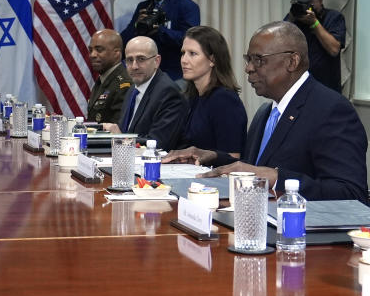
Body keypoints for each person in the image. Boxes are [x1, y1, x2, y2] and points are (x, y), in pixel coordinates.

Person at [164, 22, 367, 201]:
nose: (248, 68)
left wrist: (277, 178)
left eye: (258, 60)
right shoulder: (265, 112)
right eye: (248, 59)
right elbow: (252, 168)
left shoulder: (331, 110)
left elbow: (351, 193)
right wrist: (212, 156)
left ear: (292, 61)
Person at [101, 36, 188, 150]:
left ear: (156, 61)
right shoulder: (133, 89)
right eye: (129, 60)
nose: (134, 66)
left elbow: (158, 144)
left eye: (141, 59)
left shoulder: (168, 93)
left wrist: (120, 138)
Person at [120, 0, 200, 80]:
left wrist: (160, 30)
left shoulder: (187, 6)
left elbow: (189, 41)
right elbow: (124, 43)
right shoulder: (143, 7)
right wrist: (136, 26)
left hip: (175, 75)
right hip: (145, 74)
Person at [177, 26, 247, 155]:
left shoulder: (225, 100)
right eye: (183, 53)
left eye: (192, 53)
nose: (184, 60)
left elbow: (232, 157)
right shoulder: (194, 97)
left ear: (212, 60)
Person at [284, 0, 345, 92]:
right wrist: (292, 17)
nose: (306, 6)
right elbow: (280, 44)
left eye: (308, 1)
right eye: (301, 2)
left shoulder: (334, 17)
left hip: (327, 88)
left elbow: (334, 49)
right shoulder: (295, 19)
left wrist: (314, 23)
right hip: (299, 88)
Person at [86, 29, 131, 123]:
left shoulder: (124, 84)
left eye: (99, 50)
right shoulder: (102, 79)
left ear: (117, 53)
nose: (92, 55)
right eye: (90, 50)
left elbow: (118, 130)